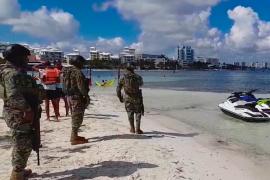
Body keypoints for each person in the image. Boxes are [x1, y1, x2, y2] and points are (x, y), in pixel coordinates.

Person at [0, 44, 44, 179]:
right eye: (25, 57)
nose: (27, 60)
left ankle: (19, 170)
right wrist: (28, 110)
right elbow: (13, 96)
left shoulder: (7, 71)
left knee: (22, 141)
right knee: (23, 144)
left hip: (18, 113)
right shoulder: (12, 74)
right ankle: (17, 173)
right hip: (21, 114)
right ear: (17, 58)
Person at [62, 55, 90, 145]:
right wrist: (86, 96)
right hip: (77, 97)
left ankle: (75, 135)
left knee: (75, 115)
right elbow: (81, 86)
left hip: (69, 96)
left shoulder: (66, 71)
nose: (83, 65)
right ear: (78, 62)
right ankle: (74, 138)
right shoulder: (77, 72)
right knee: (77, 117)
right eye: (82, 63)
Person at [116, 65, 144, 134]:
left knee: (130, 112)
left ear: (126, 69)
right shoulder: (138, 77)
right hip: (137, 97)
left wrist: (120, 97)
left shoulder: (123, 77)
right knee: (138, 112)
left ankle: (132, 128)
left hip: (127, 97)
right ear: (133, 69)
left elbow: (118, 89)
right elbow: (141, 84)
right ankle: (138, 129)